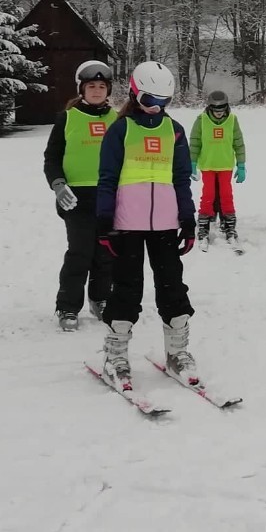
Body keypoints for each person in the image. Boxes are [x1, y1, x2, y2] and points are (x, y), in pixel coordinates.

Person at [95, 61, 198, 390]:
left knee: (173, 287)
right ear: (135, 93)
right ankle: (115, 356)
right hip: (126, 225)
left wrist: (188, 219)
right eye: (150, 99)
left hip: (165, 225)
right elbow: (107, 179)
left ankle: (177, 353)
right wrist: (104, 221)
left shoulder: (174, 130)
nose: (156, 107)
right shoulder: (120, 130)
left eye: (163, 101)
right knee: (127, 288)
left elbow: (181, 179)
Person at [42, 60, 117, 331]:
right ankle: (68, 307)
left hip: (109, 196)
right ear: (81, 89)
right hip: (76, 197)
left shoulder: (117, 119)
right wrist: (58, 184)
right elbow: (52, 157)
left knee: (106, 253)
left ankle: (101, 298)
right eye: (91, 86)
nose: (97, 90)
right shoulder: (68, 118)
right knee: (79, 252)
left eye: (102, 86)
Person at [189, 90, 246, 247]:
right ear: (210, 108)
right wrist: (192, 163)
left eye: (222, 109)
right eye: (216, 110)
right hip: (207, 165)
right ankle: (204, 225)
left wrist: (241, 164)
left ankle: (229, 225)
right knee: (208, 195)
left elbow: (238, 143)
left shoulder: (232, 120)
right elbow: (194, 142)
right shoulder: (201, 120)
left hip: (225, 165)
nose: (219, 113)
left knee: (226, 195)